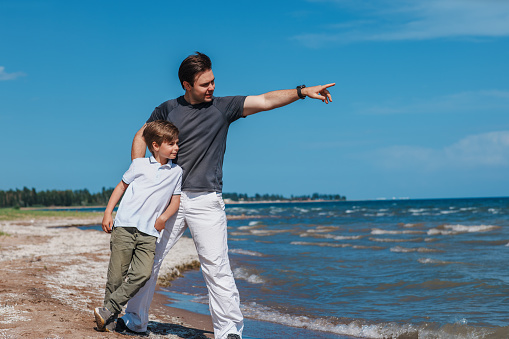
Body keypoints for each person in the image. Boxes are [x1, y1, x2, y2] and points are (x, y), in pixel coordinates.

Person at [119, 52, 334, 339]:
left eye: (213, 81)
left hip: (207, 201)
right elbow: (141, 136)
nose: (212, 88)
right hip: (169, 201)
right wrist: (140, 179)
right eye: (204, 84)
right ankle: (134, 321)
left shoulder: (224, 107)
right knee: (149, 260)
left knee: (216, 267)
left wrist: (302, 92)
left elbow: (265, 100)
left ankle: (229, 332)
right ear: (186, 85)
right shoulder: (167, 109)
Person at [94, 120, 182, 332]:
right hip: (124, 227)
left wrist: (163, 219)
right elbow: (121, 187)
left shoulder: (176, 171)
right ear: (155, 146)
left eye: (177, 143)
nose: (176, 148)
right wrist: (108, 212)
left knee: (143, 274)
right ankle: (109, 319)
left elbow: (176, 200)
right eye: (171, 144)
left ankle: (108, 309)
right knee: (115, 277)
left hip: (149, 233)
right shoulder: (139, 164)